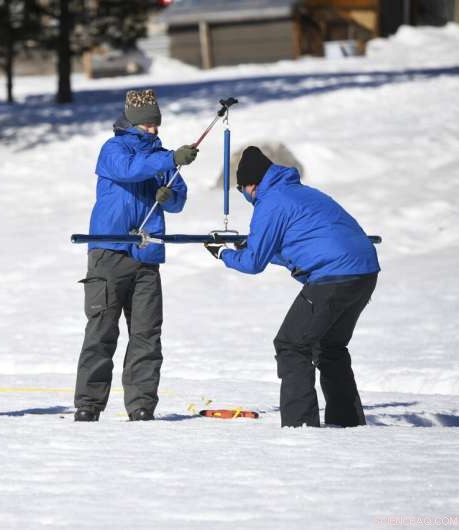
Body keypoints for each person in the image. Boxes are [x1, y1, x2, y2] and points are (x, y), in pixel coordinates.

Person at [206, 146, 380, 428]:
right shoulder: (302, 193)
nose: (246, 197)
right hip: (364, 272)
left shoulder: (270, 201)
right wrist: (249, 246)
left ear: (251, 185)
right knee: (330, 346)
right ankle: (347, 423)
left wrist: (222, 253)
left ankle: (300, 427)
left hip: (332, 276)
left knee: (291, 345)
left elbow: (253, 264)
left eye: (242, 191)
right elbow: (294, 248)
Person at [73, 89, 198, 422]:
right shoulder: (114, 149)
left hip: (146, 254)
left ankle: (142, 404)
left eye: (156, 124)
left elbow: (179, 200)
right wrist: (169, 160)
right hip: (109, 252)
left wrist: (168, 194)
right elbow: (130, 170)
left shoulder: (161, 155)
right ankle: (89, 403)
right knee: (101, 331)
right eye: (147, 125)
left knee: (146, 334)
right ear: (132, 122)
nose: (154, 130)